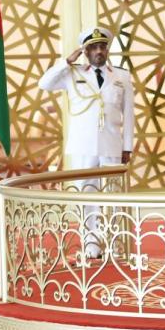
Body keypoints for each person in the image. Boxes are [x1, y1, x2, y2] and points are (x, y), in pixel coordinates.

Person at [39, 27, 135, 259]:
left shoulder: (121, 76)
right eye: (93, 47)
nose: (99, 51)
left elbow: (129, 113)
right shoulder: (72, 73)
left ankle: (114, 241)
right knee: (87, 193)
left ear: (107, 50)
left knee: (113, 193)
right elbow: (44, 83)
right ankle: (92, 242)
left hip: (111, 144)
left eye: (102, 47)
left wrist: (127, 147)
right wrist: (66, 61)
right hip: (83, 145)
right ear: (86, 51)